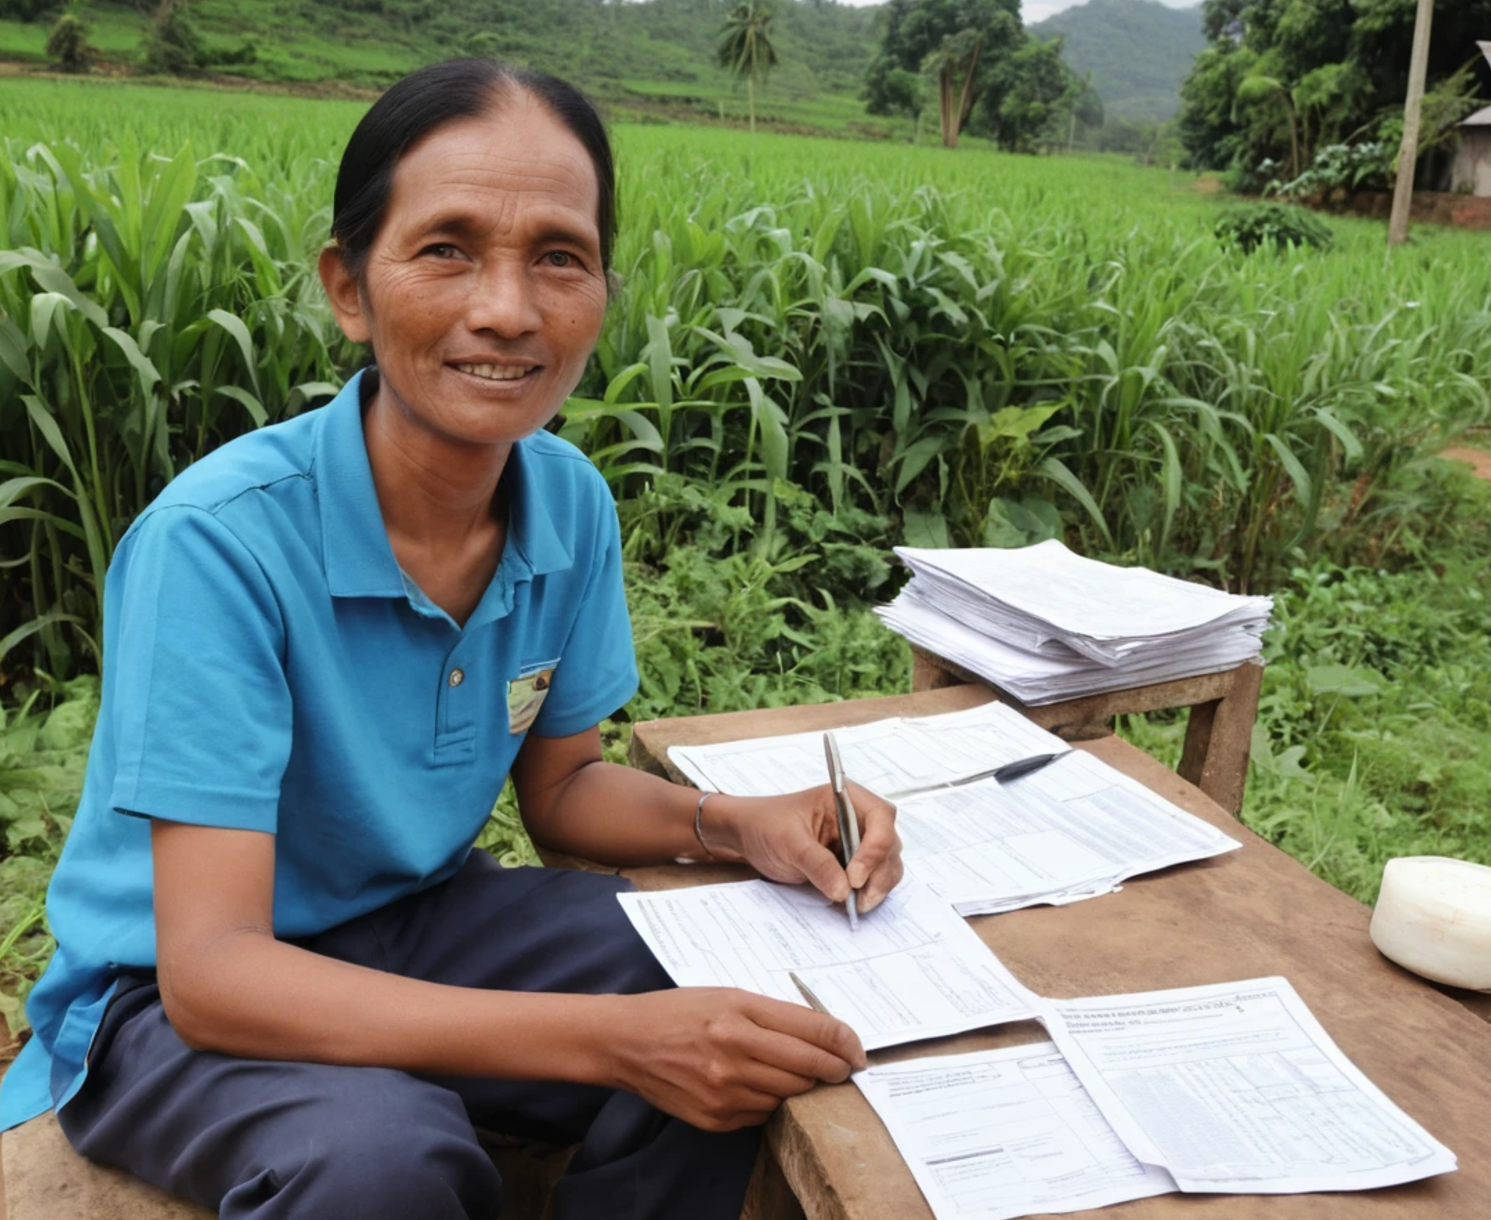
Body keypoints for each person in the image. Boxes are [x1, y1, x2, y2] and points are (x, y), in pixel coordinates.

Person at [0, 58, 903, 1219]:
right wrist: (614, 1039)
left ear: (601, 293)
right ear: (349, 287)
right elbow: (215, 971)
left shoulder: (567, 503)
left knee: (749, 988)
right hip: (166, 995)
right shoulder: (216, 544)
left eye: (559, 258)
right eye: (447, 249)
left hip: (417, 917)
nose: (508, 309)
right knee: (382, 1161)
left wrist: (739, 823)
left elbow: (564, 785)